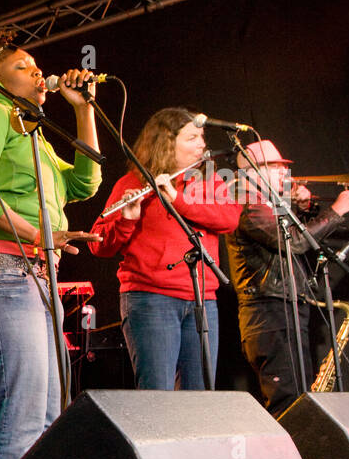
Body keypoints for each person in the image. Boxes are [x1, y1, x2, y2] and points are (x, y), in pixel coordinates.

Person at [0, 38, 102, 459]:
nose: (38, 73)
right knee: (23, 423)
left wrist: (83, 109)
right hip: (2, 276)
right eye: (23, 66)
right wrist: (38, 235)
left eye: (38, 66)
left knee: (49, 423)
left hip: (32, 279)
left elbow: (85, 183)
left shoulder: (32, 133)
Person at [89, 108, 239, 389]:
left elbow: (229, 219)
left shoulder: (208, 180)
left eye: (202, 137)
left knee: (201, 395)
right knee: (157, 394)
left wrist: (177, 198)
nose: (202, 144)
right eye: (192, 137)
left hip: (202, 300)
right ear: (166, 142)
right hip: (150, 300)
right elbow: (99, 244)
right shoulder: (133, 183)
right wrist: (126, 220)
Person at [225, 139, 349, 415]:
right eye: (276, 168)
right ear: (253, 172)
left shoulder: (269, 206)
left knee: (299, 398)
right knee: (287, 402)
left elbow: (287, 244)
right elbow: (294, 243)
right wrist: (336, 212)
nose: (286, 175)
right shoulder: (249, 206)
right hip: (269, 313)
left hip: (285, 308)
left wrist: (302, 210)